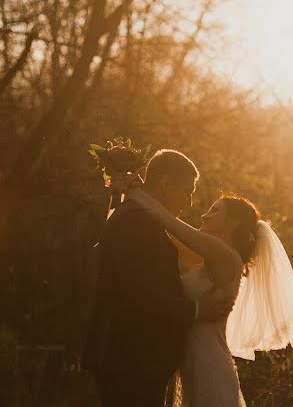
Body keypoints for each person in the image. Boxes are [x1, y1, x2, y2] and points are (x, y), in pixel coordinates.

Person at [125, 187, 293, 407]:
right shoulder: (212, 258)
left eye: (214, 211)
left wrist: (136, 191)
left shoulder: (226, 256)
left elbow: (169, 222)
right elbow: (168, 232)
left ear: (232, 223)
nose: (204, 215)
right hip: (196, 367)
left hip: (209, 369)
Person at [83, 150, 235, 407]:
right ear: (165, 185)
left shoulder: (143, 219)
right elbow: (138, 294)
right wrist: (197, 309)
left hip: (134, 361)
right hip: (131, 362)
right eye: (187, 192)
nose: (188, 203)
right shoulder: (137, 222)